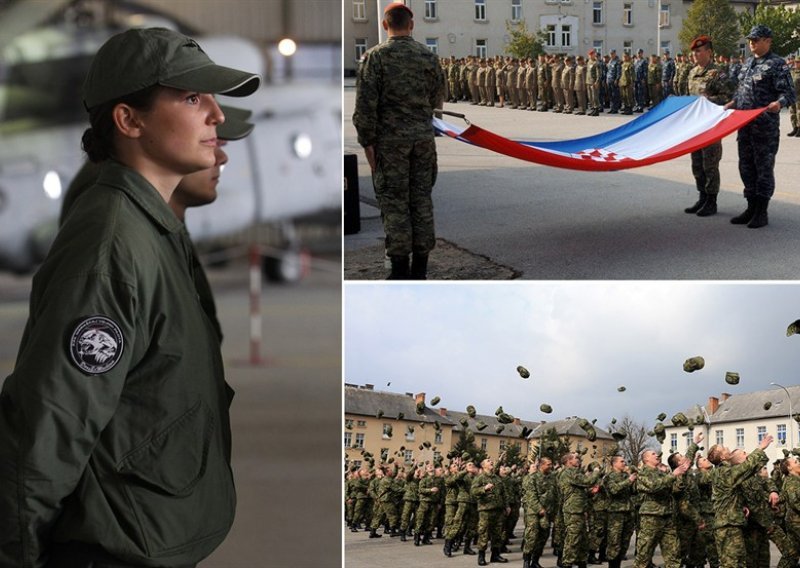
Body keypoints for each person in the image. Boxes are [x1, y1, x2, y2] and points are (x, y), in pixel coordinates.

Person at [0, 27, 259, 567]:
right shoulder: (112, 244)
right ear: (129, 120)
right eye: (192, 97)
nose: (216, 115)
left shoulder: (149, 230)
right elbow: (50, 424)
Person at [352, 2, 445, 279]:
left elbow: (365, 108)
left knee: (394, 203)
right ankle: (421, 270)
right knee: (421, 201)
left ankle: (400, 271)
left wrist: (368, 145)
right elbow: (436, 102)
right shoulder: (428, 56)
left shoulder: (375, 57)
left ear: (384, 25)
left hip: (390, 145)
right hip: (423, 142)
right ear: (412, 25)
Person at [723, 25, 796, 229]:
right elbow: (742, 94)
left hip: (764, 128)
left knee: (763, 168)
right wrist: (730, 105)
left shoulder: (777, 64)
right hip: (744, 126)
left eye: (756, 39)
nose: (752, 43)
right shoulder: (747, 64)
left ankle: (761, 212)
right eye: (750, 40)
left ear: (768, 41)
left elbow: (789, 94)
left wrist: (778, 104)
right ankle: (751, 207)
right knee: (746, 167)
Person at [684, 35, 734, 217]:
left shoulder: (718, 73)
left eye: (699, 51)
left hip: (711, 127)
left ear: (709, 52)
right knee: (696, 164)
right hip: (695, 127)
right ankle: (702, 197)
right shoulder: (692, 72)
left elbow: (729, 98)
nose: (695, 54)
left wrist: (708, 100)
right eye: (694, 52)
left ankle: (712, 201)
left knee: (710, 164)